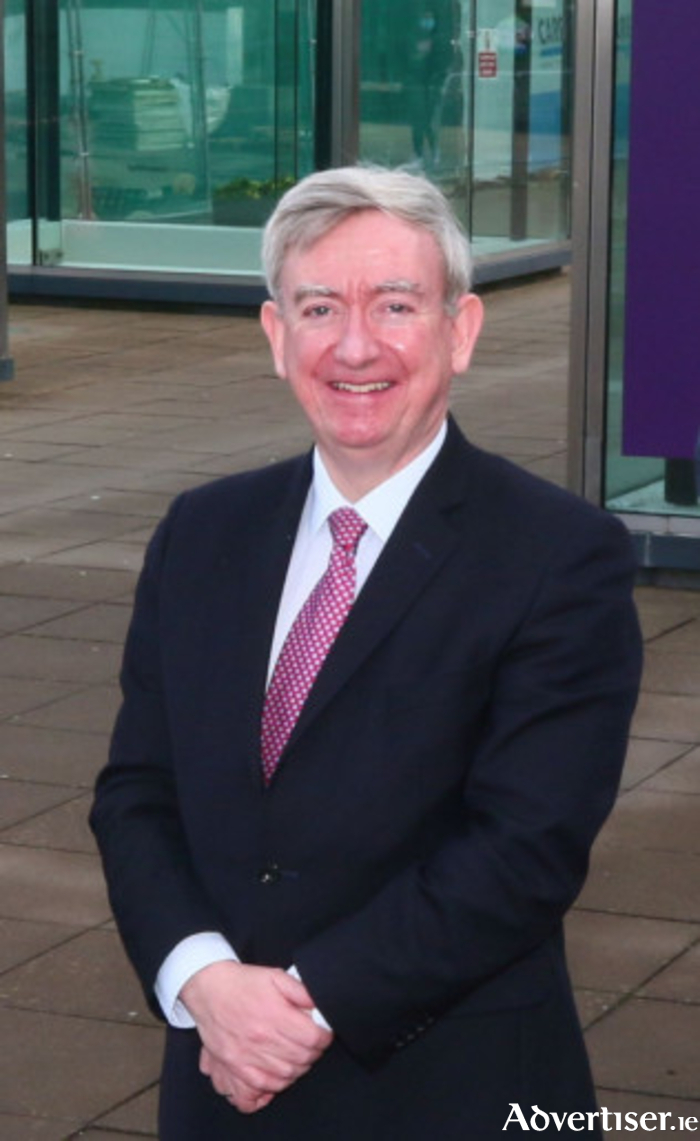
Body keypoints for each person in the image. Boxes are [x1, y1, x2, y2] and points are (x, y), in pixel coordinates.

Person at [90, 166, 642, 1139]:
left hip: (448, 1088)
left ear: (459, 329)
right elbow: (137, 792)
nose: (354, 344)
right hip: (221, 1081)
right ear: (276, 337)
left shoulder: (559, 556)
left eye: (395, 304)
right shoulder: (201, 533)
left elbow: (523, 849)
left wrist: (295, 1007)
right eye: (317, 307)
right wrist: (202, 980)